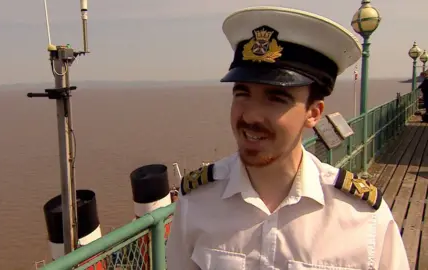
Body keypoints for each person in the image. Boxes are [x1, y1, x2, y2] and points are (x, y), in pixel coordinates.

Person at [165, 6, 409, 270]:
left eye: (276, 98)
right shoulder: (197, 202)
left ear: (313, 114)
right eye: (242, 93)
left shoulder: (362, 218)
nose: (251, 116)